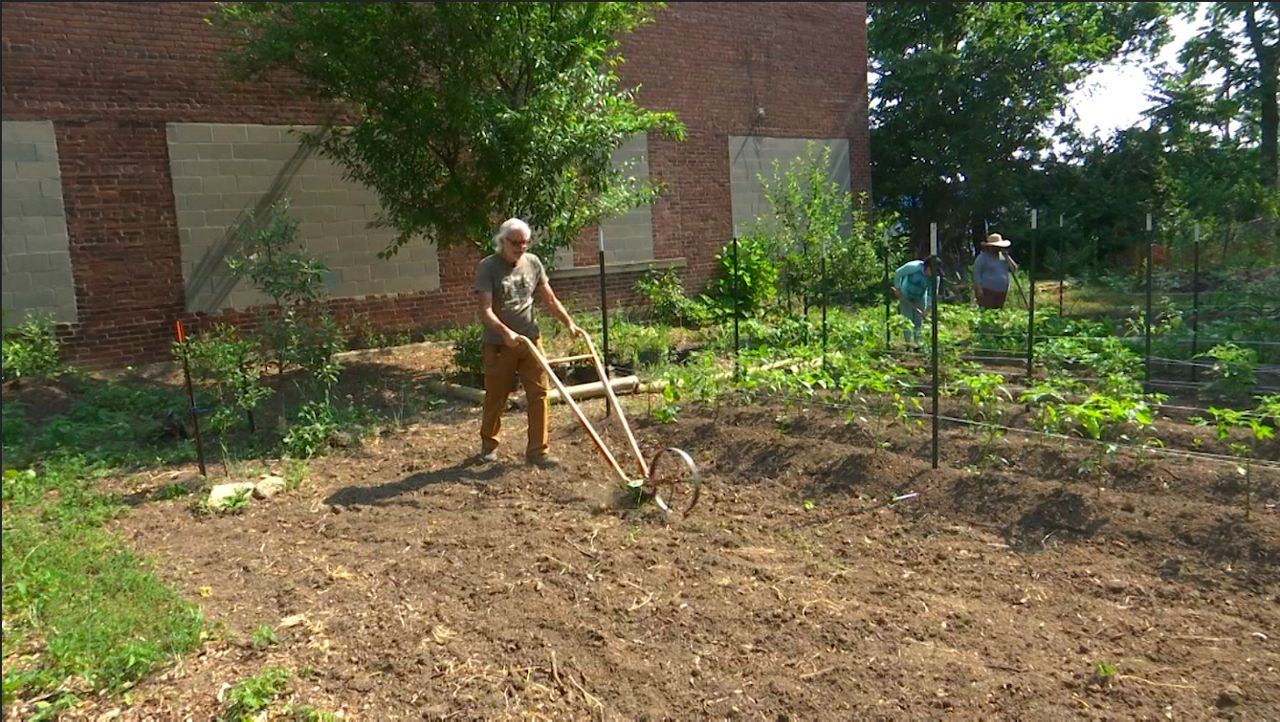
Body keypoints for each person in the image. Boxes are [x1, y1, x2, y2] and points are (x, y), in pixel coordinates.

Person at [474, 218, 582, 467]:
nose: (522, 247)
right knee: (496, 396)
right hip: (500, 345)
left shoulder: (533, 263)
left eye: (525, 242)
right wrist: (505, 333)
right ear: (502, 241)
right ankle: (489, 445)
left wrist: (570, 324)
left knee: (540, 394)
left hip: (531, 339)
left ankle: (538, 451)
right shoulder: (488, 267)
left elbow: (550, 299)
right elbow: (485, 310)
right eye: (516, 243)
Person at [891, 256, 936, 347]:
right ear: (927, 267)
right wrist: (898, 289)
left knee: (918, 321)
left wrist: (928, 309)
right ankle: (908, 344)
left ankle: (917, 344)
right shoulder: (914, 267)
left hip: (920, 298)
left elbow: (932, 294)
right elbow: (898, 273)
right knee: (907, 320)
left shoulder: (935, 278)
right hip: (905, 296)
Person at [972, 233, 1018, 309]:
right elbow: (977, 273)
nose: (998, 248)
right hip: (987, 290)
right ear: (989, 247)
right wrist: (979, 288)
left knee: (998, 312)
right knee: (987, 312)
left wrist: (1007, 257)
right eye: (995, 246)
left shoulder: (1003, 257)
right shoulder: (983, 257)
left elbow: (1014, 269)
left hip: (1002, 291)